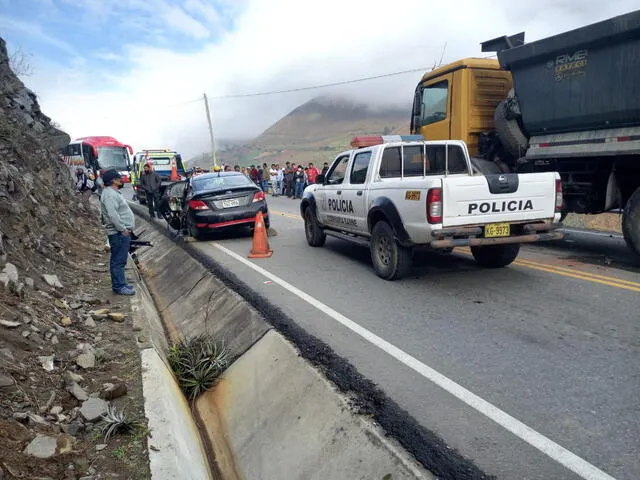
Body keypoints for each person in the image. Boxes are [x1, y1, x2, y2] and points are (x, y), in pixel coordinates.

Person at [100, 169, 136, 296]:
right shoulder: (109, 194)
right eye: (118, 178)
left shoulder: (112, 192)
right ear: (113, 180)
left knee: (120, 260)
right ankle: (119, 286)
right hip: (119, 233)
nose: (121, 179)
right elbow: (113, 215)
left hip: (120, 232)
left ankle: (121, 283)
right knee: (118, 260)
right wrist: (123, 229)